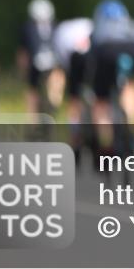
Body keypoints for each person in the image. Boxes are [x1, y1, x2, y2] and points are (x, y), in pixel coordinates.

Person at [88, 0, 134, 145]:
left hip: (107, 51)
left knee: (101, 100)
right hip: (133, 49)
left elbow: (92, 53)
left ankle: (105, 141)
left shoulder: (99, 26)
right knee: (130, 86)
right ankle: (131, 124)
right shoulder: (131, 24)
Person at [52, 16, 93, 164]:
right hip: (91, 58)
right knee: (100, 100)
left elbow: (62, 59)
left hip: (74, 60)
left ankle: (75, 141)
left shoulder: (62, 30)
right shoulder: (89, 25)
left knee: (74, 101)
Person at [17, 0, 63, 115]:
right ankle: (34, 117)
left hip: (51, 64)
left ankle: (49, 106)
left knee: (52, 84)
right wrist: (23, 69)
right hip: (36, 65)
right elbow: (23, 52)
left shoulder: (55, 27)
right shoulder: (28, 28)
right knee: (33, 90)